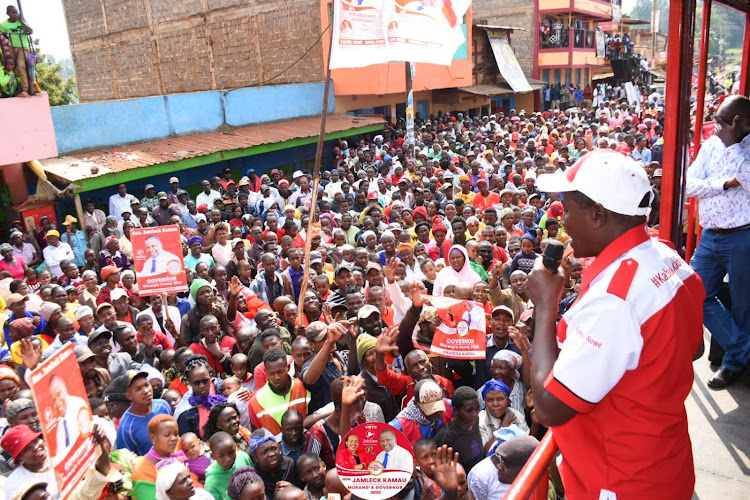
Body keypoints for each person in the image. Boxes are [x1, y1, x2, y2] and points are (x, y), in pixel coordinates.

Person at [528, 150, 704, 498]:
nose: (561, 224)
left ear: (597, 215)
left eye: (567, 211)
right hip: (665, 464)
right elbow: (694, 347)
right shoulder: (668, 257)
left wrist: (546, 308)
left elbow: (549, 408)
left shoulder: (613, 300)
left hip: (620, 482)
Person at [685, 95, 750, 389]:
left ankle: (734, 363)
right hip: (709, 236)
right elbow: (689, 184)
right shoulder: (711, 145)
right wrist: (724, 184)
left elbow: (748, 178)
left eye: (723, 123)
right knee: (694, 292)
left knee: (743, 305)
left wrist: (735, 146)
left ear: (738, 122)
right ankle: (742, 349)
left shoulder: (742, 148)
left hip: (743, 236)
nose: (716, 128)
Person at [115, 370, 173, 455]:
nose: (146, 391)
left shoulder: (163, 406)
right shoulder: (126, 428)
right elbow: (128, 461)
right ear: (129, 396)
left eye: (146, 385)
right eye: (138, 389)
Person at [466, 435, 539, 499]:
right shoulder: (480, 475)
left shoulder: (541, 480)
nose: (499, 467)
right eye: (499, 460)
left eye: (506, 465)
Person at [0, 6, 32, 96]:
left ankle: (25, 89)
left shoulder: (22, 20)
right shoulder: (4, 25)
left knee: (21, 65)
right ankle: (15, 88)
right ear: (8, 14)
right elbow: (4, 34)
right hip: (12, 46)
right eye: (13, 13)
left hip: (23, 46)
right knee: (12, 66)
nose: (15, 14)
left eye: (16, 12)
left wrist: (21, 21)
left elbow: (30, 31)